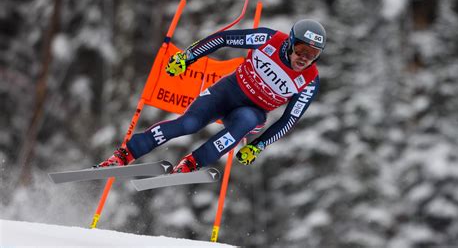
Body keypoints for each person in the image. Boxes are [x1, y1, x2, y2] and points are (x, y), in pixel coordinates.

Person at [95, 19, 326, 173]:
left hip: (251, 111)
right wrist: (187, 58)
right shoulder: (269, 40)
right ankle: (126, 154)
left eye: (313, 54)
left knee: (246, 121)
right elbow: (223, 38)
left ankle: (192, 163)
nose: (304, 58)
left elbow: (289, 120)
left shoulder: (309, 81)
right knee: (188, 124)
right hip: (226, 92)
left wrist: (259, 145)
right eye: (301, 50)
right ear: (290, 43)